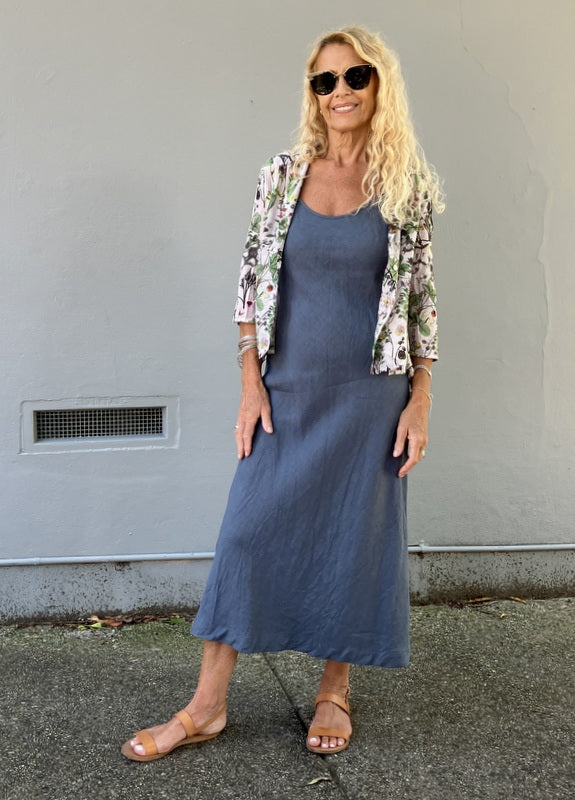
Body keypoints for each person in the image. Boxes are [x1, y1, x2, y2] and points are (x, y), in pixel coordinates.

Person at [121, 25, 443, 762]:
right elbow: (249, 287)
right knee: (246, 533)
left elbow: (422, 303)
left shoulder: (407, 188)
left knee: (353, 540)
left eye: (354, 76)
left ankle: (335, 688)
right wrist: (249, 384)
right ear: (313, 93)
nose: (339, 92)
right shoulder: (281, 176)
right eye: (324, 81)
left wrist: (421, 398)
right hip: (287, 389)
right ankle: (206, 706)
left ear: (379, 84)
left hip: (371, 397)